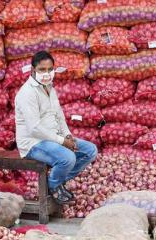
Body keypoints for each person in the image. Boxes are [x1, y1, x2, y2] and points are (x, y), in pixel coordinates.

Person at [15, 51, 98, 205]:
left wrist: (67, 135)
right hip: (33, 143)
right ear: (33, 70)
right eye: (42, 70)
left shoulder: (50, 88)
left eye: (49, 69)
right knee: (68, 158)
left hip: (54, 137)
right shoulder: (27, 93)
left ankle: (55, 181)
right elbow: (34, 129)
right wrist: (61, 141)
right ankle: (54, 186)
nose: (46, 73)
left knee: (90, 150)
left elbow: (59, 115)